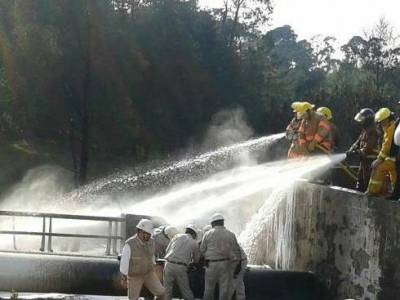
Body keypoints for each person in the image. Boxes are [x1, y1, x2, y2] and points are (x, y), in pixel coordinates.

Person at [120, 219, 165, 300]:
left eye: (149, 234)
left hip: (149, 274)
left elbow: (152, 257)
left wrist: (153, 265)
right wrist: (124, 278)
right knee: (133, 299)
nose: (148, 236)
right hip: (134, 276)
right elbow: (124, 262)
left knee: (161, 293)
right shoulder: (130, 244)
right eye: (146, 234)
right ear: (139, 231)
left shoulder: (151, 242)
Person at [200, 213, 241, 300]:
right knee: (224, 289)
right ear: (222, 223)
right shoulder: (230, 234)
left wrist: (207, 258)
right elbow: (237, 251)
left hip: (210, 264)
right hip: (225, 264)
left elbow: (202, 250)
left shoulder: (207, 234)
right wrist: (237, 265)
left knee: (208, 289)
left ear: (213, 223)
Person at [163, 224, 200, 300]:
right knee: (185, 290)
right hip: (181, 266)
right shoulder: (194, 242)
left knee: (167, 289)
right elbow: (196, 260)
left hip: (168, 264)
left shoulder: (177, 236)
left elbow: (167, 250)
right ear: (193, 234)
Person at [346, 108, 380, 191]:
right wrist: (351, 149)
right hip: (364, 159)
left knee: (367, 179)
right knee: (360, 178)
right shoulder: (365, 130)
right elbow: (358, 141)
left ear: (368, 120)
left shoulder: (374, 131)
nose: (360, 122)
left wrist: (358, 151)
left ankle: (368, 193)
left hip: (371, 160)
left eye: (362, 120)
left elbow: (369, 147)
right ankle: (360, 189)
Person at [367, 108, 398, 196]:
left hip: (393, 159)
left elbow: (386, 147)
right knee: (394, 177)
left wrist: (379, 159)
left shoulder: (390, 129)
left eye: (382, 122)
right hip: (394, 159)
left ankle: (373, 191)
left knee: (378, 167)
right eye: (380, 122)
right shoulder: (391, 127)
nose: (381, 124)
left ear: (387, 119)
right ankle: (395, 193)